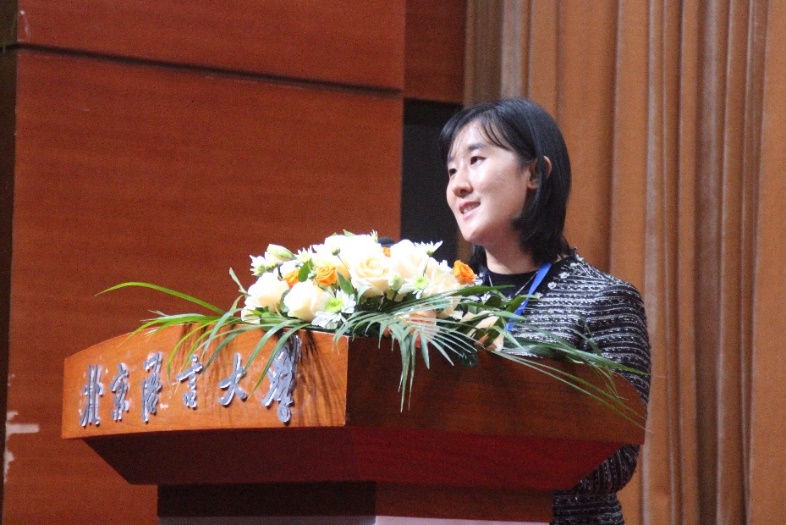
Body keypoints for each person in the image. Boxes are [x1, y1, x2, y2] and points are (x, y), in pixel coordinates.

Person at [440, 98, 651, 525]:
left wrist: (480, 456)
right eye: (451, 170)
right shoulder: (442, 302)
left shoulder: (604, 300)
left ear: (534, 173)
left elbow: (614, 457)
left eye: (475, 161)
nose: (459, 185)